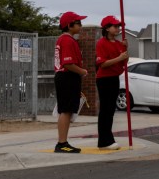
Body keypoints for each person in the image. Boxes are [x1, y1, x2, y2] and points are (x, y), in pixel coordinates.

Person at [54, 11, 88, 153]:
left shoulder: (64, 39)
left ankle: (63, 142)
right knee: (66, 110)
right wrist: (82, 71)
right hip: (67, 76)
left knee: (67, 110)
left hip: (65, 77)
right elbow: (67, 63)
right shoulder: (67, 40)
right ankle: (62, 143)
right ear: (69, 25)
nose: (81, 25)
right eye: (78, 23)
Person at [95, 15, 129, 150]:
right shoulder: (101, 43)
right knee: (105, 110)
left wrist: (126, 49)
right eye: (115, 26)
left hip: (115, 77)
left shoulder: (120, 44)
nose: (118, 28)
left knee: (110, 110)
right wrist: (119, 57)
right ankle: (104, 140)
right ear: (107, 28)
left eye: (119, 26)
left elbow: (124, 61)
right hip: (104, 79)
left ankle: (107, 139)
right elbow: (102, 64)